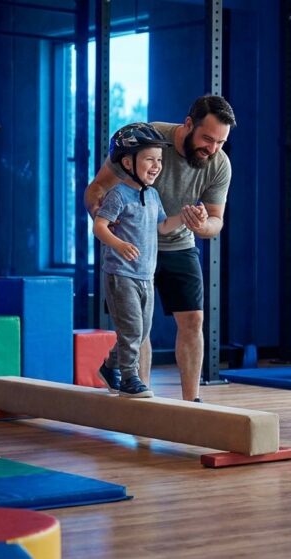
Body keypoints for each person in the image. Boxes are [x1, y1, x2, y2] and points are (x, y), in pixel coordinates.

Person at [85, 95, 236, 402]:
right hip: (136, 247)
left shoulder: (219, 163)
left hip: (179, 242)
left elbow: (215, 222)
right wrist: (103, 218)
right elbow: (97, 187)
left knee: (193, 319)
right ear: (188, 124)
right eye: (207, 139)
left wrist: (199, 224)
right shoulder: (148, 141)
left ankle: (191, 402)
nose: (213, 149)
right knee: (139, 327)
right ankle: (138, 394)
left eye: (221, 142)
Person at [93, 123, 185, 398]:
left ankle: (111, 365)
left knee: (141, 331)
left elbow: (162, 226)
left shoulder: (153, 195)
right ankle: (129, 377)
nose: (156, 166)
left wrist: (185, 218)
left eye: (159, 160)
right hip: (121, 274)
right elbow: (99, 226)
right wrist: (119, 244)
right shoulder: (118, 194)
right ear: (127, 162)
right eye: (150, 160)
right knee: (132, 329)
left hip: (146, 275)